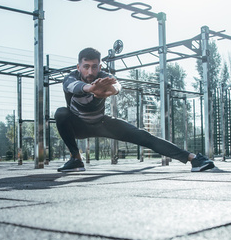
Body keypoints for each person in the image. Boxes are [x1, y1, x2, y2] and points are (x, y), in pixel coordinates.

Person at [55, 47, 215, 172]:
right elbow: (74, 86)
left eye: (94, 67)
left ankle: (193, 159)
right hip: (78, 125)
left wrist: (110, 90)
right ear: (78, 67)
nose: (90, 72)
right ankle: (76, 158)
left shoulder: (103, 76)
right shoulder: (71, 78)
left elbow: (117, 85)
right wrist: (92, 88)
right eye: (86, 67)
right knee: (61, 113)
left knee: (143, 136)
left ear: (99, 66)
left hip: (101, 122)